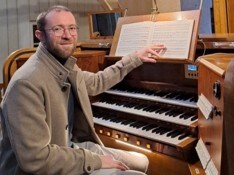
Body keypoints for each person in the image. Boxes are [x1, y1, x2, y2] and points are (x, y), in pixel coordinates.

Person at [0, 5, 166, 175]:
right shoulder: (26, 83)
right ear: (40, 35)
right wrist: (95, 160)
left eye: (72, 28)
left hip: (71, 146)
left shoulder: (64, 64)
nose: (67, 35)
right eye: (57, 29)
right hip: (49, 163)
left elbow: (95, 83)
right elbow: (36, 159)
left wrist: (135, 57)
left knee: (141, 161)